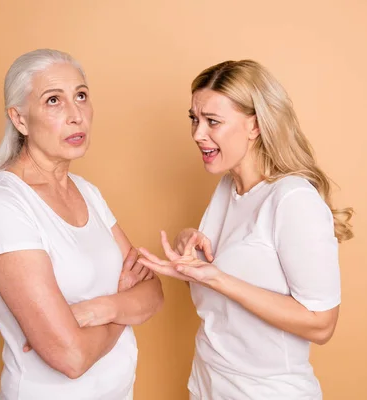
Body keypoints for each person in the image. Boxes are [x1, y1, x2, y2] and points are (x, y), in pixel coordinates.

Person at [138, 60, 353, 399]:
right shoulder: (228, 186)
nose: (197, 134)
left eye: (213, 122)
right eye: (194, 119)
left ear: (254, 125)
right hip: (209, 380)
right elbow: (237, 265)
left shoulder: (292, 199)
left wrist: (217, 278)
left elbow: (321, 324)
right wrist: (190, 248)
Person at [0, 49, 163, 400]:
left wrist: (97, 310)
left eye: (81, 96)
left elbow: (153, 291)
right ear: (20, 119)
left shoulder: (88, 192)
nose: (76, 116)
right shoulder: (3, 204)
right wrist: (124, 307)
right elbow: (71, 357)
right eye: (53, 100)